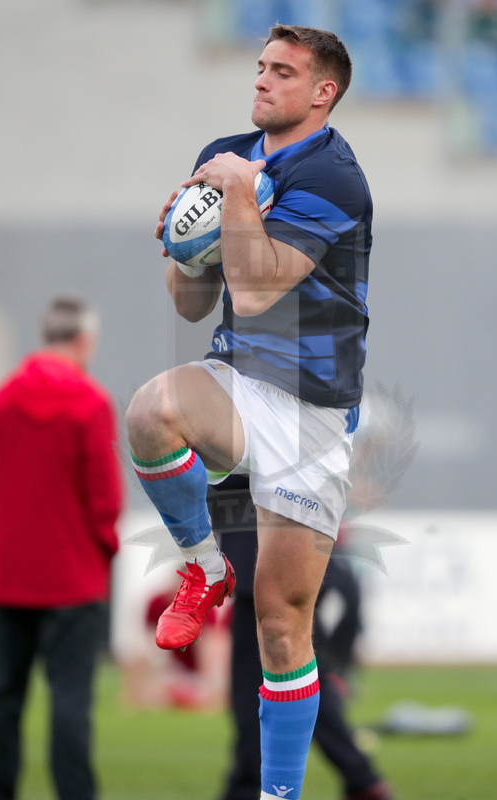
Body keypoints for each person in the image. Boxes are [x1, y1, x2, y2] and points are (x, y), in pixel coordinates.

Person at [125, 24, 372, 800]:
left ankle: (279, 795)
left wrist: (233, 191)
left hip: (311, 414)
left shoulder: (334, 178)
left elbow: (262, 286)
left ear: (322, 92)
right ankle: (202, 570)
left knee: (279, 623)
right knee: (148, 412)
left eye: (282, 72)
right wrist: (179, 244)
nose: (261, 81)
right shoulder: (228, 149)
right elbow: (197, 304)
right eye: (260, 67)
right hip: (237, 379)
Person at [0, 296, 123, 800]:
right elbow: (105, 497)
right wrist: (106, 550)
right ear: (84, 340)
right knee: (71, 702)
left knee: (3, 699)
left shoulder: (3, 401)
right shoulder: (91, 404)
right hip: (74, 578)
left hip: (7, 576)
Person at [209, 477, 393, 800]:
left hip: (268, 571)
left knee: (262, 691)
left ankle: (248, 785)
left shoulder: (251, 439)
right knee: (296, 680)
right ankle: (360, 778)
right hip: (286, 563)